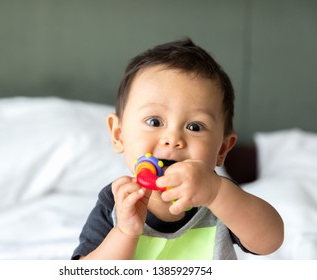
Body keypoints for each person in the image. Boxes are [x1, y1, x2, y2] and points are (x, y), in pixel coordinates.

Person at [72, 38, 284, 260]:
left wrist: (216, 193)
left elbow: (270, 241)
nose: (173, 139)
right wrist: (124, 232)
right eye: (154, 122)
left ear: (222, 149)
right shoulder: (117, 203)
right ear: (118, 134)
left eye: (195, 127)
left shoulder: (219, 197)